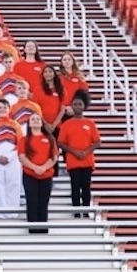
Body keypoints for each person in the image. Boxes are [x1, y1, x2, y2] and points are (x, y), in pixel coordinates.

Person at [57, 90, 101, 218]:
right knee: (75, 186)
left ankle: (86, 211)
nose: (77, 107)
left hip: (87, 161)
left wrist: (87, 151)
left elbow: (97, 142)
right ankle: (76, 211)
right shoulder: (66, 124)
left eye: (79, 104)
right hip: (73, 161)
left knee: (86, 187)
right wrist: (74, 151)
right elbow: (60, 143)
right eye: (75, 104)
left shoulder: (90, 123)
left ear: (84, 106)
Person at [19, 113, 58, 234]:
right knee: (32, 202)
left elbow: (54, 157)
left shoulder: (50, 138)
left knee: (43, 202)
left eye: (38, 119)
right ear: (29, 124)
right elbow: (22, 157)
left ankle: (43, 230)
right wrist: (35, 168)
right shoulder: (24, 140)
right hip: (29, 175)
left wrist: (44, 168)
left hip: (46, 176)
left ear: (42, 123)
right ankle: (33, 231)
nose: (35, 121)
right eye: (33, 119)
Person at [0, 100, 24, 219]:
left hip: (13, 157)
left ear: (9, 109)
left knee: (14, 183)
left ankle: (13, 212)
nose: (2, 109)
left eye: (4, 107)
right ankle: (1, 213)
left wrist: (10, 156)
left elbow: (21, 141)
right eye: (0, 107)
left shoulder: (15, 124)